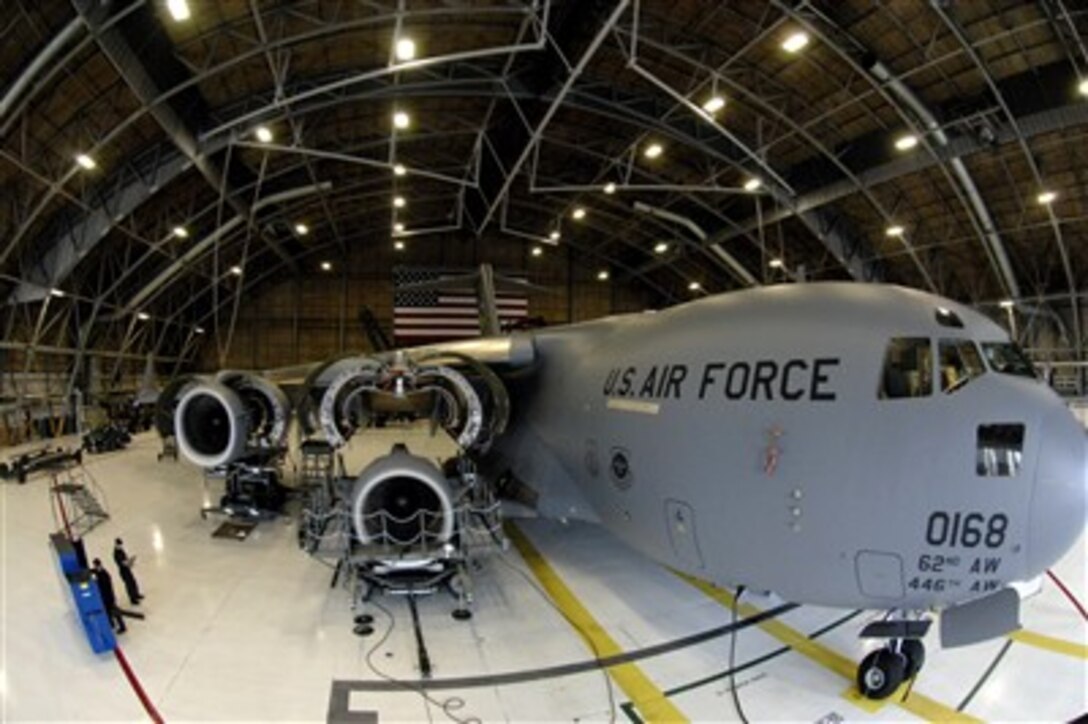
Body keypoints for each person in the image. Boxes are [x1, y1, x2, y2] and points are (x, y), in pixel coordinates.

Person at [91, 558, 126, 634]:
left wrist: (95, 582)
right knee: (107, 612)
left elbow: (103, 585)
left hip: (108, 597)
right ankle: (111, 624)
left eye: (96, 566)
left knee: (115, 612)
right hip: (104, 597)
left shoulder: (104, 574)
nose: (95, 567)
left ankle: (122, 626)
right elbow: (93, 571)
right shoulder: (98, 571)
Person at [113, 538, 143, 605]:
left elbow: (125, 559)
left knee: (133, 582)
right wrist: (129, 562)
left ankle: (136, 594)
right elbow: (122, 563)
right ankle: (133, 599)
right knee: (129, 585)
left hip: (127, 569)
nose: (120, 546)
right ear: (116, 544)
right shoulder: (116, 554)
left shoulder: (121, 550)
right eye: (119, 545)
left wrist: (130, 561)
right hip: (123, 571)